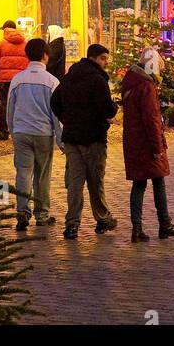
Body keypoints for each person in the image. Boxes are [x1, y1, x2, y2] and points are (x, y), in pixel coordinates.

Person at [51, 43, 118, 238]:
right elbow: (107, 109)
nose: (106, 62)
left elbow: (55, 102)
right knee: (95, 181)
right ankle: (103, 219)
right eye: (104, 58)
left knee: (75, 183)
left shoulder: (70, 77)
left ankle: (72, 224)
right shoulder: (97, 80)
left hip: (72, 138)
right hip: (93, 137)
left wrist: (67, 119)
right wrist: (113, 111)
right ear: (94, 58)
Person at [120, 47, 174, 241]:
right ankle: (164, 224)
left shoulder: (131, 81)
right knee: (158, 182)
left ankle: (137, 228)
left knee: (139, 184)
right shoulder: (146, 86)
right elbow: (152, 119)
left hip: (133, 140)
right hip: (146, 143)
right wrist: (158, 147)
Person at [6, 38, 62, 230]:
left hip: (21, 132)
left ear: (27, 55)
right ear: (45, 55)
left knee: (23, 172)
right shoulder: (52, 82)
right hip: (43, 133)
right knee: (42, 176)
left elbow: (10, 110)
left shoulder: (17, 79)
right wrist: (60, 139)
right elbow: (56, 113)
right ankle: (42, 214)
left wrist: (12, 130)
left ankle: (22, 210)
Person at [0, 20, 29, 140]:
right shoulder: (25, 43)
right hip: (20, 79)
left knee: (3, 104)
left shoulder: (0, 43)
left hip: (4, 79)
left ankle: (2, 131)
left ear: (5, 30)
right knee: (19, 104)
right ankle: (19, 130)